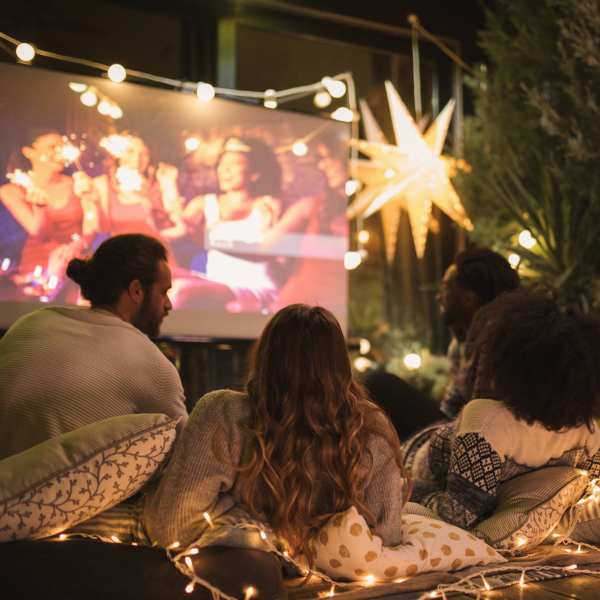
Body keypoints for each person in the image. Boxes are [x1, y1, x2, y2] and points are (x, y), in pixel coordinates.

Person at [143, 304, 409, 558]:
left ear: (264, 356)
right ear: (341, 366)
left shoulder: (223, 414)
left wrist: (239, 512)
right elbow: (386, 540)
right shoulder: (370, 426)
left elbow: (171, 528)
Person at [414, 289, 600, 530]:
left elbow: (457, 516)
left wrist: (410, 488)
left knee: (381, 383)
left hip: (417, 458)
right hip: (431, 443)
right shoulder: (589, 428)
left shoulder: (489, 420)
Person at [0, 234, 187, 460]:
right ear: (136, 290)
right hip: (64, 494)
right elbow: (189, 457)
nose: (169, 304)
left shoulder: (29, 324)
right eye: (163, 292)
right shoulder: (151, 364)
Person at [166, 136, 283, 312]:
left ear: (254, 173)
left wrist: (210, 241)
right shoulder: (204, 203)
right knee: (161, 276)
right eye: (222, 164)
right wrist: (167, 183)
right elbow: (179, 228)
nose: (224, 170)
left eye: (234, 164)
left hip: (255, 287)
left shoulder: (268, 205)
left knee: (182, 291)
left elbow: (273, 252)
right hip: (214, 281)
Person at [0, 130, 100, 300]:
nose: (59, 152)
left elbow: (93, 226)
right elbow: (39, 233)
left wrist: (77, 245)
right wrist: (40, 207)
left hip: (78, 263)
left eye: (62, 147)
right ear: (28, 151)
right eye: (52, 147)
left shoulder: (78, 183)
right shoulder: (12, 190)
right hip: (38, 267)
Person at [437, 247, 520, 418]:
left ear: (468, 299)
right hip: (453, 422)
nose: (439, 297)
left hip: (474, 431)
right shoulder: (460, 340)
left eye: (446, 288)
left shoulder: (496, 341)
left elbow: (480, 415)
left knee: (381, 384)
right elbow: (451, 405)